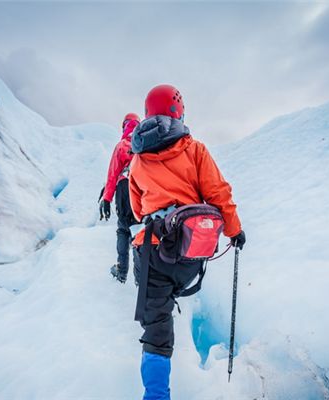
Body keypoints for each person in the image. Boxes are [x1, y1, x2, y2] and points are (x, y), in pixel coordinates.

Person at [129, 84, 245, 399]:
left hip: (151, 252)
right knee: (173, 289)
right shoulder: (195, 149)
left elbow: (139, 210)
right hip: (189, 254)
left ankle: (156, 394)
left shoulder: (137, 159)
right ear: (178, 110)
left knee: (156, 332)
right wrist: (234, 230)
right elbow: (219, 193)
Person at [99, 113, 141, 283]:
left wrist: (107, 199)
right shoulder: (145, 144)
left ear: (125, 126)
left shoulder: (122, 145)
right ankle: (141, 276)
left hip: (124, 188)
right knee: (141, 231)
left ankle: (121, 271)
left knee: (123, 228)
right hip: (141, 188)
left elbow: (112, 174)